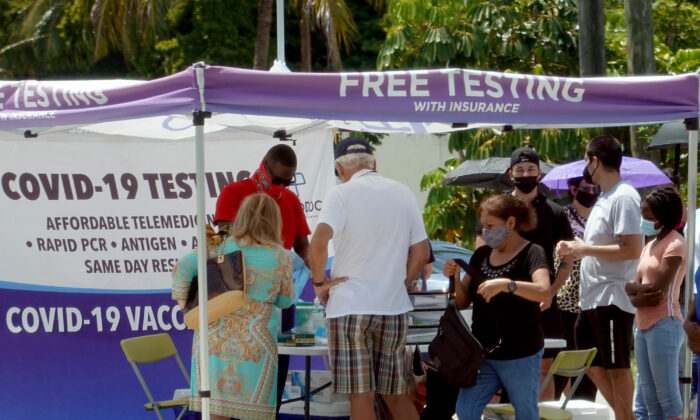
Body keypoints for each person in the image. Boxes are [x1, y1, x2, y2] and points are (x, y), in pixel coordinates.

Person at [309, 136, 430, 420]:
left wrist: (319, 284)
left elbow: (317, 243)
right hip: (393, 308)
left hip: (350, 307)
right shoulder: (403, 192)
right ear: (374, 163)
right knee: (396, 395)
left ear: (339, 168)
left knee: (360, 397)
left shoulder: (340, 194)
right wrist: (400, 283)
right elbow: (422, 252)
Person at [172, 193, 295, 420]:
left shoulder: (218, 247)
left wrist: (186, 308)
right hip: (255, 343)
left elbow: (182, 266)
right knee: (254, 413)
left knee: (216, 412)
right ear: (275, 221)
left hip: (214, 339)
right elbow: (285, 301)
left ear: (241, 217)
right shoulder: (280, 256)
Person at [214, 143, 311, 411]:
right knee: (235, 380)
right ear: (263, 166)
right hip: (239, 300)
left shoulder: (290, 200)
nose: (281, 186)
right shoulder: (233, 193)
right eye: (277, 179)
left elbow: (303, 246)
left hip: (278, 298)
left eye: (287, 181)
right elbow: (223, 245)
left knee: (273, 380)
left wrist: (316, 272)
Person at [476, 147, 574, 401]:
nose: (525, 174)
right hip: (500, 303)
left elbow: (567, 259)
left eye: (531, 169)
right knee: (493, 367)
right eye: (520, 170)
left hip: (542, 303)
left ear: (539, 172)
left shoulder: (554, 212)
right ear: (511, 174)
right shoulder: (496, 208)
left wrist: (550, 293)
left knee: (545, 368)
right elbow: (480, 254)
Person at [556, 134, 642, 420]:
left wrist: (584, 248)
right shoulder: (605, 197)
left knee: (617, 367)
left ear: (594, 160)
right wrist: (574, 247)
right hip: (591, 297)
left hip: (612, 296)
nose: (584, 163)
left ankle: (624, 417)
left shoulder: (624, 196)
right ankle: (623, 415)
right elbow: (596, 246)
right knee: (591, 362)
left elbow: (632, 248)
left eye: (585, 158)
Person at [444, 194, 551, 419]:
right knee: (466, 410)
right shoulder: (481, 255)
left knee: (525, 412)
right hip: (483, 353)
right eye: (483, 226)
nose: (485, 232)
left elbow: (543, 290)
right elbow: (463, 301)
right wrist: (454, 278)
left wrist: (507, 285)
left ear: (510, 223)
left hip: (521, 353)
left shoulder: (532, 253)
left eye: (490, 225)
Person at [625, 187, 686, 420]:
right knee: (649, 399)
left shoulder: (675, 244)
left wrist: (632, 290)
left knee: (668, 399)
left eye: (647, 215)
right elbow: (638, 285)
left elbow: (658, 290)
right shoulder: (649, 245)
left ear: (661, 217)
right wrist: (634, 290)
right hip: (641, 326)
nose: (643, 220)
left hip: (665, 324)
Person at [552, 176, 599, 401]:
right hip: (567, 301)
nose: (591, 192)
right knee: (564, 363)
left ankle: (585, 408)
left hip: (595, 299)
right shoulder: (563, 217)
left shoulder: (600, 217)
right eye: (585, 188)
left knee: (590, 365)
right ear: (573, 189)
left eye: (594, 188)